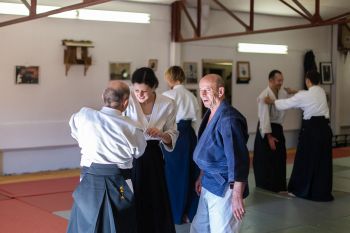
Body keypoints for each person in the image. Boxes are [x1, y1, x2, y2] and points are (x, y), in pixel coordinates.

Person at [67, 80, 147, 233]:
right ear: (125, 102)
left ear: (103, 96)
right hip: (120, 184)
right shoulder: (132, 126)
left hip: (88, 181)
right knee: (120, 225)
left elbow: (75, 132)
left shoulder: (84, 115)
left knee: (85, 224)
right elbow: (139, 152)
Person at [190, 74, 250, 233]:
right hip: (208, 181)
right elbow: (208, 149)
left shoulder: (228, 119)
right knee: (199, 228)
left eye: (207, 90)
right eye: (201, 90)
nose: (202, 95)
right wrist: (201, 175)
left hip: (224, 186)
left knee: (222, 230)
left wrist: (237, 195)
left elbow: (238, 159)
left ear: (221, 91)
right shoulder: (211, 113)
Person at [265, 70, 334, 201]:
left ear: (307, 81)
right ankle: (321, 191)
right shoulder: (322, 92)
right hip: (325, 131)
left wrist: (272, 102)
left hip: (312, 131)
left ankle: (298, 190)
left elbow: (286, 104)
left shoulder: (305, 95)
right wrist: (295, 91)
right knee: (322, 163)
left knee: (304, 160)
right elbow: (308, 95)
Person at [124, 67, 178, 233]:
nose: (140, 95)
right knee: (132, 196)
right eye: (137, 90)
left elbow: (173, 133)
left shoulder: (167, 104)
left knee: (155, 197)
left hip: (153, 156)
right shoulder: (127, 101)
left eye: (145, 92)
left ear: (154, 87)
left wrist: (162, 135)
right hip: (130, 155)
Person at [162, 66, 200, 224]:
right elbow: (197, 120)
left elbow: (162, 120)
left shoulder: (167, 95)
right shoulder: (192, 96)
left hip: (174, 136)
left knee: (174, 174)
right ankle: (189, 213)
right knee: (190, 172)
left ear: (170, 78)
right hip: (190, 135)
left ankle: (175, 213)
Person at [253, 70, 289, 193]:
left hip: (277, 128)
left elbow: (286, 103)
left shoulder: (282, 93)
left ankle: (279, 185)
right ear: (271, 81)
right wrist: (269, 137)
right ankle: (266, 185)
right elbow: (264, 117)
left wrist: (293, 91)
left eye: (282, 80)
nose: (281, 83)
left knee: (280, 157)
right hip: (266, 129)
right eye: (279, 80)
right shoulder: (264, 95)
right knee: (266, 159)